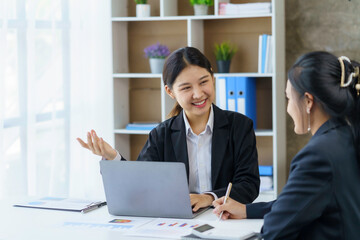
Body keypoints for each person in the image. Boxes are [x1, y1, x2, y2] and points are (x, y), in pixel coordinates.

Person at [77, 47, 260, 211]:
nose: (198, 94)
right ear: (170, 92)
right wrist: (113, 158)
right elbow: (141, 184)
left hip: (225, 220)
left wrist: (208, 198)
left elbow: (248, 185)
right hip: (177, 224)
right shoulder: (161, 135)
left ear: (212, 78)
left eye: (204, 82)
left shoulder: (240, 126)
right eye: (186, 87)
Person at [213, 51, 360, 239]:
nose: (288, 108)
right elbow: (299, 203)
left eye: (289, 98)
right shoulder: (345, 136)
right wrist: (246, 210)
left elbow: (274, 232)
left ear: (308, 101)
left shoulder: (318, 155)